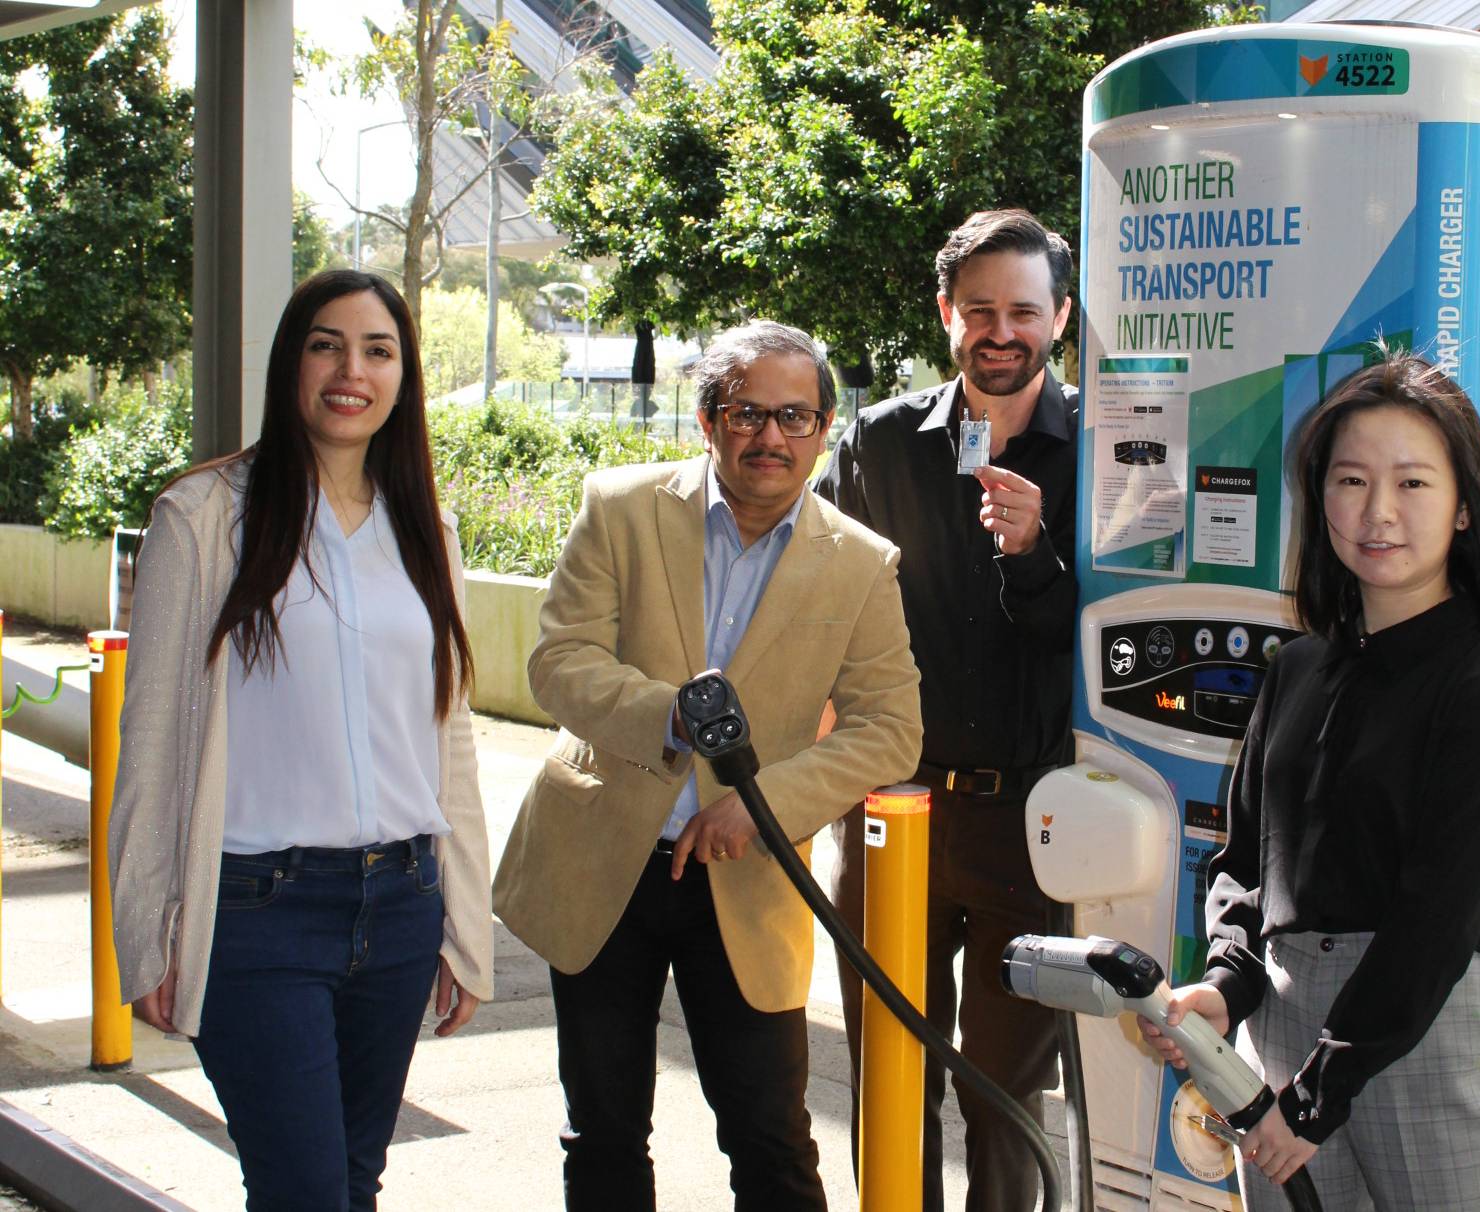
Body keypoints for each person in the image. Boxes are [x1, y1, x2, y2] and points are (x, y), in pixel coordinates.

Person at [492, 320, 923, 1212]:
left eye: (795, 417)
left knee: (771, 1145)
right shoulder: (619, 507)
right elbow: (559, 661)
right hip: (605, 864)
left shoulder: (862, 565)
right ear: (707, 419)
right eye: (747, 413)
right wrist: (669, 715)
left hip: (749, 876)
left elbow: (890, 730)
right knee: (603, 1132)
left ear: (825, 425)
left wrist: (759, 806)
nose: (771, 437)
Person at [108, 269, 494, 1211]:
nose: (350, 371)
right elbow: (150, 738)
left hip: (400, 905)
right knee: (306, 1193)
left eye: (378, 350)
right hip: (258, 915)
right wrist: (145, 930)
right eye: (326, 344)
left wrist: (464, 923)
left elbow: (449, 735)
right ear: (291, 362)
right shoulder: (203, 519)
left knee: (352, 1182)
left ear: (403, 375)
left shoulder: (425, 528)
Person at [1139, 352, 1480, 1210]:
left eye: (1414, 484)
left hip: (1419, 1040)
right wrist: (1224, 983)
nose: (1378, 512)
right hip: (1278, 1032)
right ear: (1320, 501)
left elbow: (1438, 918)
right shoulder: (1298, 669)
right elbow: (1245, 863)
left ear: (1466, 507)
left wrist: (1321, 1092)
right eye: (1352, 480)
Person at [814, 208, 1077, 1212]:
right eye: (979, 311)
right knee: (892, 1070)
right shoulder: (881, 444)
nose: (999, 332)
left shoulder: (1109, 446)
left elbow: (1111, 642)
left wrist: (1035, 556)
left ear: (1060, 317)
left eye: (1022, 310)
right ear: (946, 316)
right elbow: (828, 612)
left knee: (1007, 1096)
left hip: (1034, 825)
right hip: (893, 813)